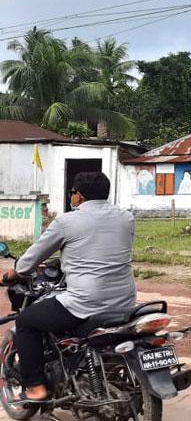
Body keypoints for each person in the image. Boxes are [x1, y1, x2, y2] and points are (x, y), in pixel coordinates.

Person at [1, 172, 135, 403]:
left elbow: (33, 256)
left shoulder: (67, 221)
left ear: (79, 196)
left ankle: (35, 387)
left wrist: (12, 274)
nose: (71, 197)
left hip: (86, 302)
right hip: (124, 301)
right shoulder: (126, 218)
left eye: (72, 193)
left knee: (26, 322)